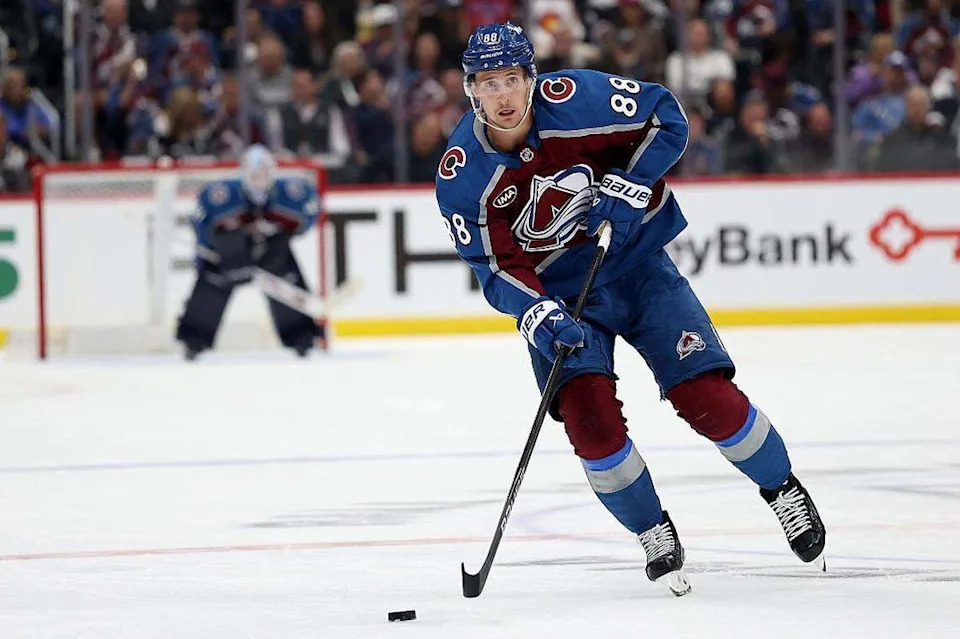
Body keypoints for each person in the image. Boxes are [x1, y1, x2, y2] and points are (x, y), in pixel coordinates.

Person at [434, 23, 826, 596]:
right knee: (592, 426)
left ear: (531, 79)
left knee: (705, 398)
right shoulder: (461, 175)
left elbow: (667, 117)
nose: (503, 94)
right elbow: (491, 267)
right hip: (562, 301)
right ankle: (652, 531)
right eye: (488, 82)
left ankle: (781, 487)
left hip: (638, 268)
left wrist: (628, 185)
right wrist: (537, 314)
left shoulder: (579, 100)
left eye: (512, 79)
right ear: (471, 90)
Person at [176, 145, 323, 360]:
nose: (258, 178)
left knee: (285, 274)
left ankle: (302, 337)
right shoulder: (220, 194)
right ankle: (194, 340)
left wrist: (280, 232)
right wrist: (209, 251)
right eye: (254, 173)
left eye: (263, 172)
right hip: (229, 252)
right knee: (212, 283)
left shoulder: (292, 191)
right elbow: (201, 225)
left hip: (270, 249)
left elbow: (309, 217)